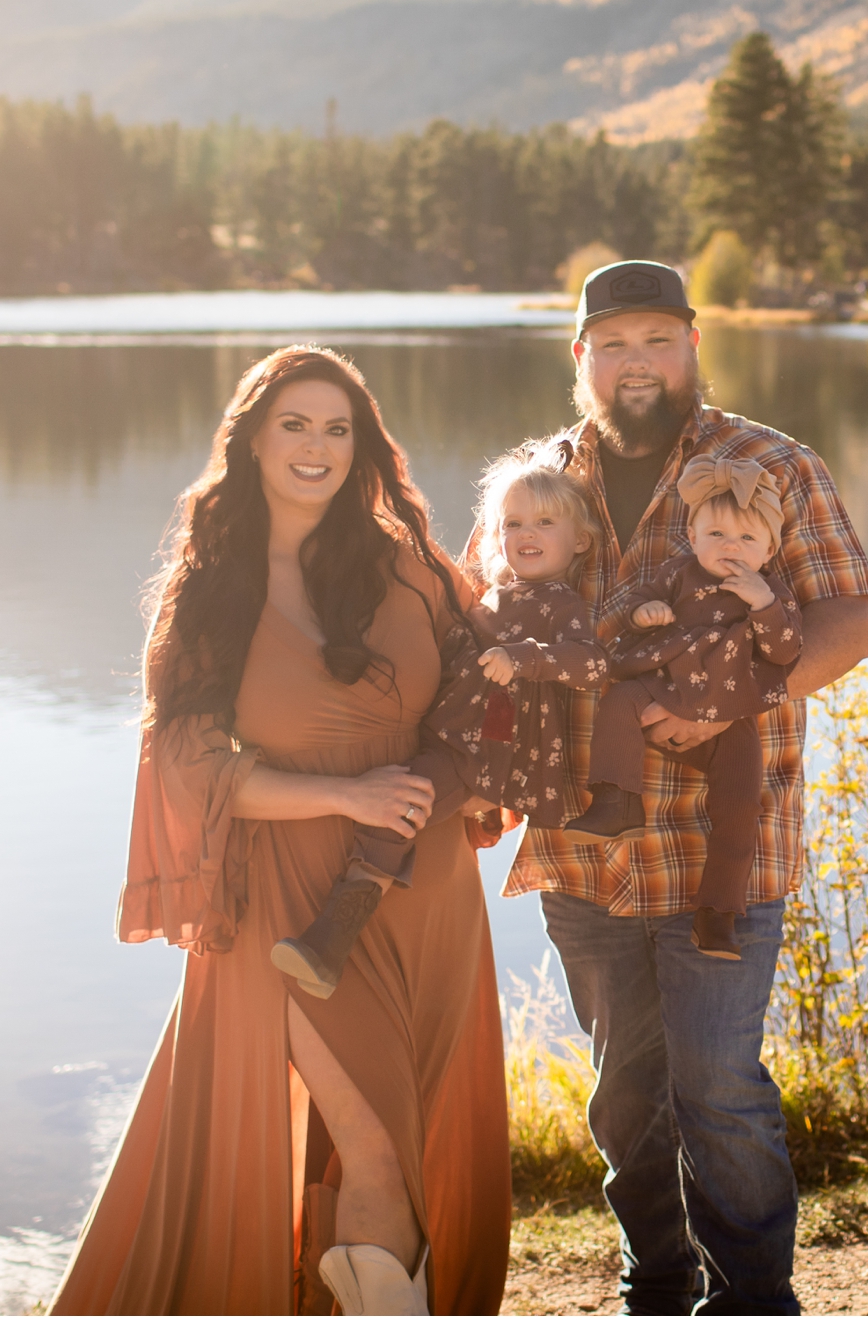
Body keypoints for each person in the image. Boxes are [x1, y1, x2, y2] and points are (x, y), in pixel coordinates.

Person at [49, 346, 509, 1316]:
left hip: (424, 896)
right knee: (376, 1145)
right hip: (291, 911)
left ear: (363, 445)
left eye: (337, 428)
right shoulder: (210, 591)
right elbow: (186, 772)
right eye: (295, 425)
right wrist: (345, 798)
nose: (317, 447)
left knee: (412, 1144)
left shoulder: (414, 567)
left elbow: (485, 697)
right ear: (251, 440)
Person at [495, 260, 868, 1316]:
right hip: (584, 845)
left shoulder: (771, 465)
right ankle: (654, 1288)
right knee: (625, 1098)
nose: (635, 364)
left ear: (693, 345)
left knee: (719, 1090)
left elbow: (850, 620)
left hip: (724, 846)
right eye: (612, 344)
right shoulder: (539, 485)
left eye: (656, 340)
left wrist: (730, 701)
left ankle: (753, 1302)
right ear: (580, 358)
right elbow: (486, 623)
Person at [273, 456, 611, 999]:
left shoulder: (560, 605)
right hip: (451, 732)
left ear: (579, 543)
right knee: (411, 795)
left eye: (546, 523)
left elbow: (593, 665)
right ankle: (350, 927)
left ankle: (331, 938)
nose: (527, 534)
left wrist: (526, 658)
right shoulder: (490, 598)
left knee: (405, 798)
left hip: (483, 750)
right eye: (513, 523)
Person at [570, 454, 804, 963]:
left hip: (729, 717)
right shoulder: (679, 574)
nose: (730, 549)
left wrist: (763, 604)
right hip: (665, 687)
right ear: (693, 539)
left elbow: (785, 652)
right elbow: (637, 607)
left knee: (741, 805)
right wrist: (646, 611)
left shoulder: (769, 594)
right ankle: (616, 800)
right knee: (619, 703)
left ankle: (717, 912)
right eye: (716, 535)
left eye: (746, 540)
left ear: (768, 550)